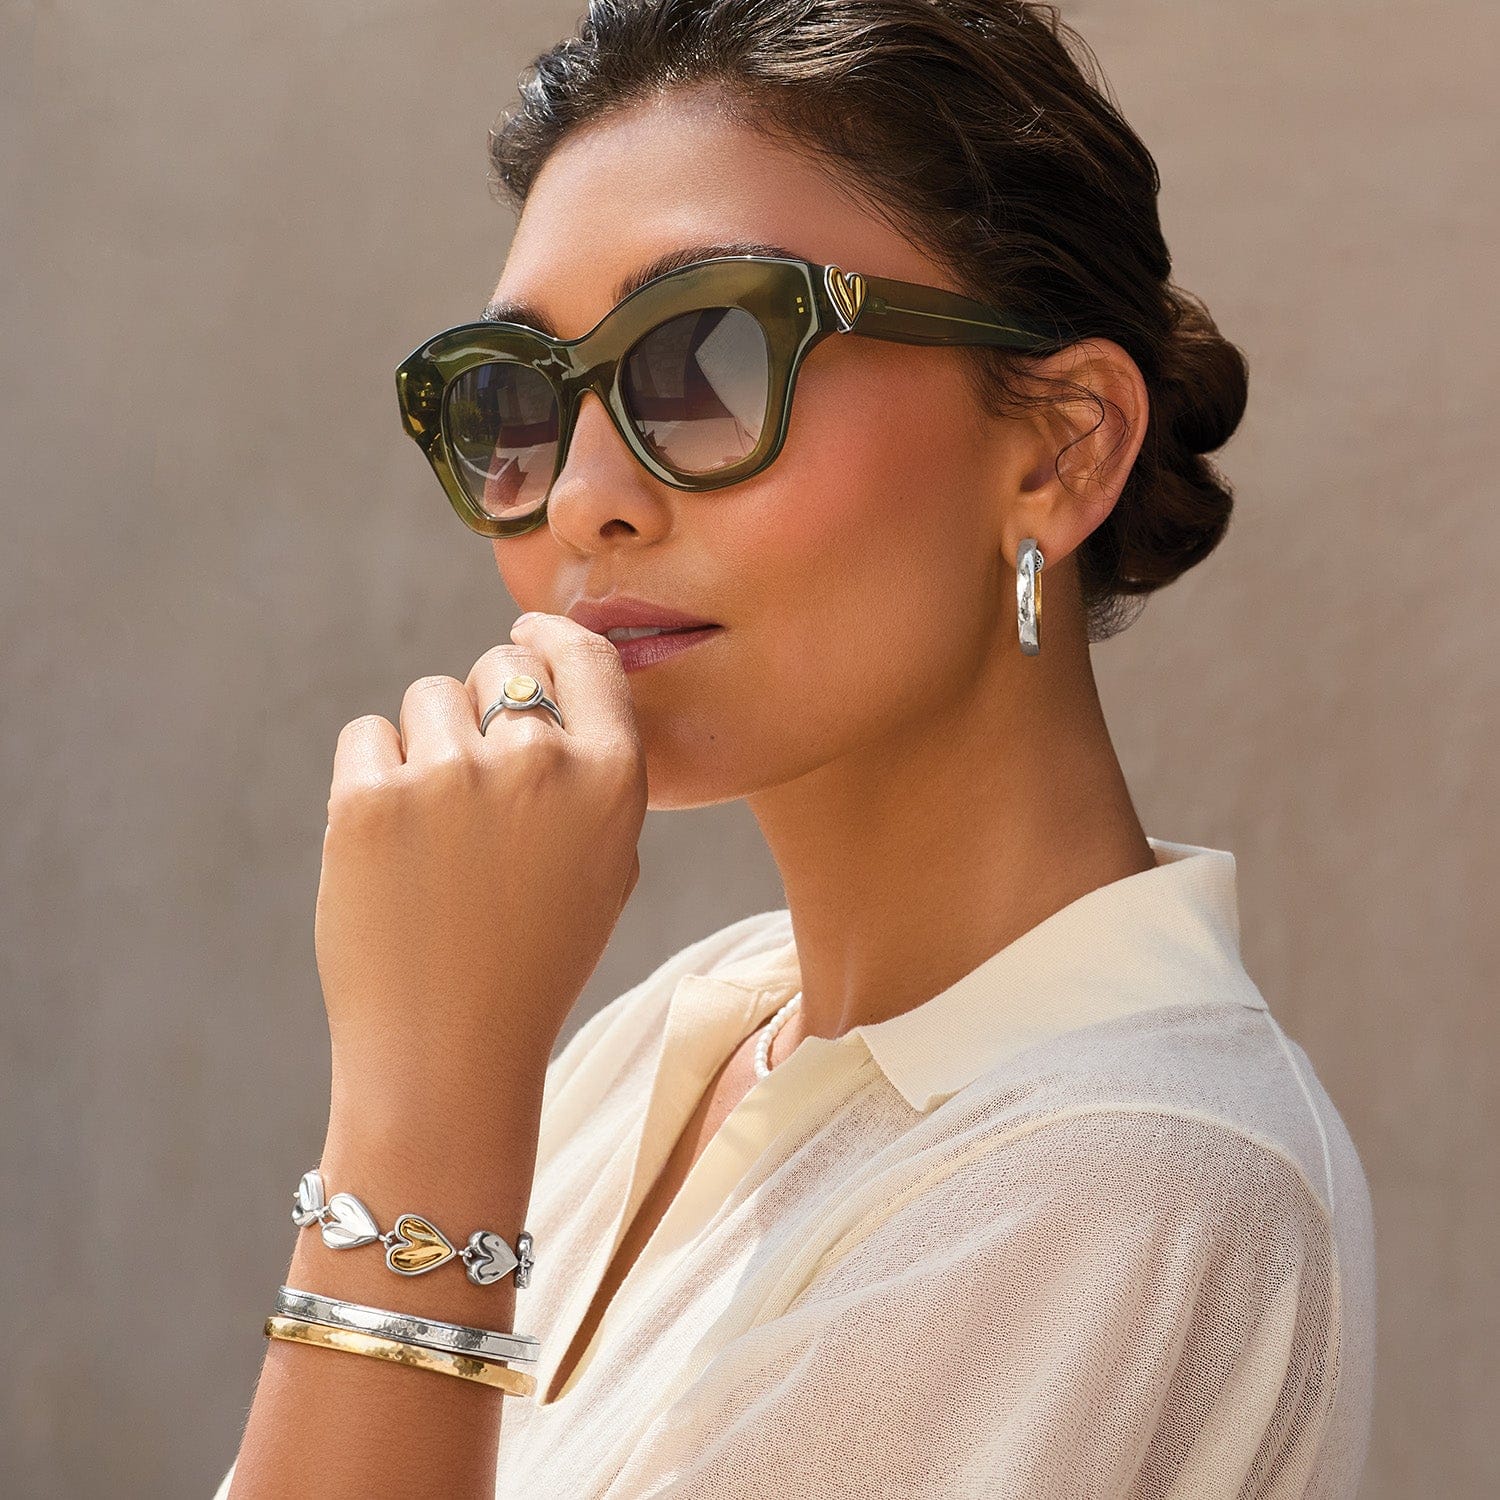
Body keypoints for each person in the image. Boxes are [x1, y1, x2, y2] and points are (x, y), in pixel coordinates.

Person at [214, 2, 1375, 1495]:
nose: (580, 500)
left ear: (1058, 445)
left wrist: (425, 1102)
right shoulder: (682, 1032)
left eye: (701, 357)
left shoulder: (1131, 1178)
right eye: (515, 395)